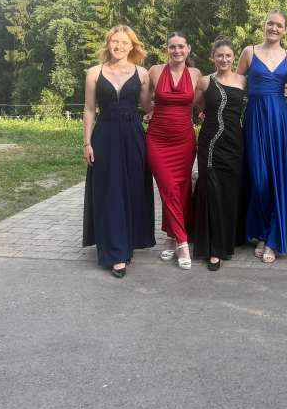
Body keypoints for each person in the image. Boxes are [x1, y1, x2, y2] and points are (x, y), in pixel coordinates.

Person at [82, 26, 155, 278]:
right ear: (108, 44)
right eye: (114, 41)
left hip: (133, 137)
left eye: (124, 42)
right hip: (104, 137)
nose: (119, 46)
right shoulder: (95, 72)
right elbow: (89, 109)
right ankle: (116, 253)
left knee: (130, 189)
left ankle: (126, 243)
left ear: (132, 46)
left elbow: (148, 105)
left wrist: (171, 106)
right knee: (109, 190)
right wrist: (87, 143)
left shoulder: (142, 73)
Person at [236, 10, 287, 263]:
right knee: (259, 179)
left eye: (279, 25)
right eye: (270, 23)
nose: (274, 28)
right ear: (264, 25)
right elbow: (237, 83)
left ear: (285, 30)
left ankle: (270, 238)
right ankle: (261, 230)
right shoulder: (249, 52)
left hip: (281, 119)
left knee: (278, 178)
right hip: (256, 117)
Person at [146, 31, 202, 270]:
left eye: (181, 46)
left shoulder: (196, 74)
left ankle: (170, 237)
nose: (177, 51)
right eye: (172, 47)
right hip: (157, 140)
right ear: (166, 49)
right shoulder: (154, 71)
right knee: (168, 189)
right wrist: (152, 111)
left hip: (184, 141)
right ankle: (183, 243)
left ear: (188, 49)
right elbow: (144, 100)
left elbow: (201, 102)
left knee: (181, 190)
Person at [192, 36, 248, 271]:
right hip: (211, 143)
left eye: (228, 55)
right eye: (219, 55)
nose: (224, 59)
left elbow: (260, 101)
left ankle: (230, 238)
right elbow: (187, 104)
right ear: (213, 57)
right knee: (212, 189)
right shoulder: (205, 81)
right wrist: (155, 112)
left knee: (231, 190)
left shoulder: (243, 80)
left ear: (234, 57)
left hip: (235, 142)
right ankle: (214, 248)